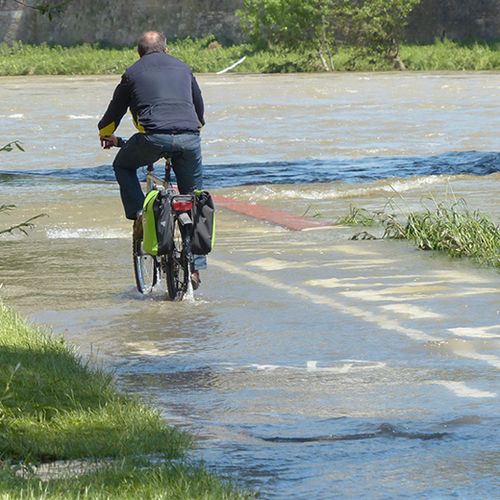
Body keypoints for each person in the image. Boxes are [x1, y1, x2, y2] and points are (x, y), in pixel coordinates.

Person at [98, 31, 206, 289]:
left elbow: (115, 111)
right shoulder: (183, 68)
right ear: (166, 50)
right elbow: (199, 109)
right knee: (194, 199)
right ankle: (196, 268)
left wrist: (105, 133)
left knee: (122, 165)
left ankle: (139, 215)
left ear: (139, 53)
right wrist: (192, 130)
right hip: (189, 138)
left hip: (152, 139)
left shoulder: (132, 72)